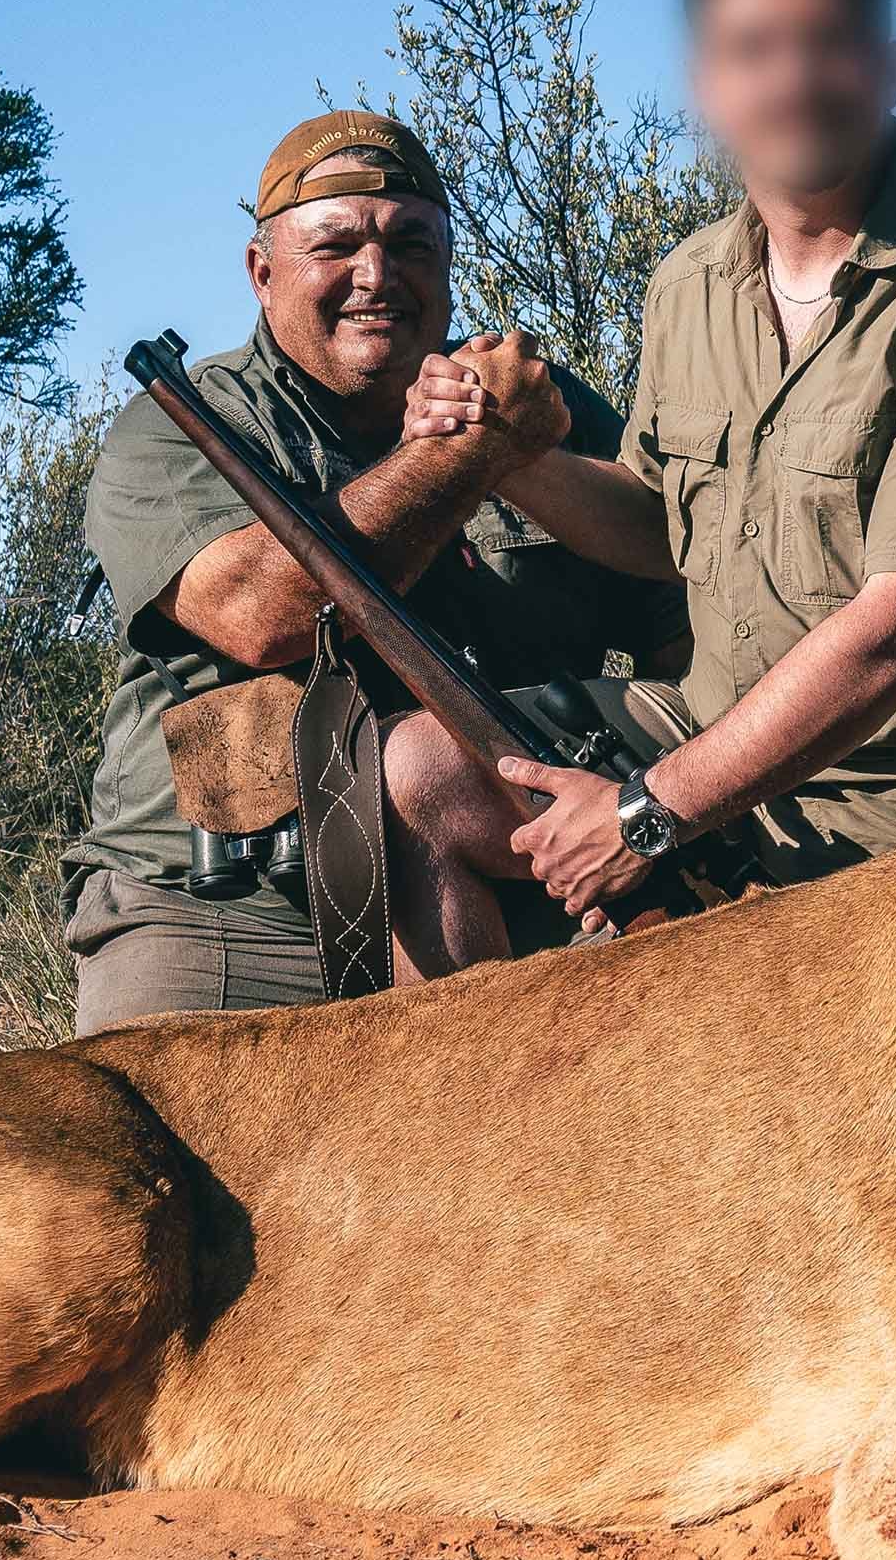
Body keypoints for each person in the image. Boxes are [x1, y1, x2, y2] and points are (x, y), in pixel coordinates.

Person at [390, 0, 896, 969]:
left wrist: (646, 813)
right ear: (707, 86)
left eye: (828, 46)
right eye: (752, 52)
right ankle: (493, 1107)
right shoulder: (683, 284)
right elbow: (661, 532)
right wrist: (509, 456)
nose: (792, 83)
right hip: (700, 738)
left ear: (890, 68)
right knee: (419, 772)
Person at [62, 111, 681, 1030]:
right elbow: (260, 614)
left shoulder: (532, 401)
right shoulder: (177, 425)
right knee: (136, 1141)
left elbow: (681, 591)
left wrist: (647, 818)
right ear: (261, 270)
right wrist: (466, 455)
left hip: (523, 877)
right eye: (336, 245)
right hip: (229, 910)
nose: (377, 275)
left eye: (410, 244)